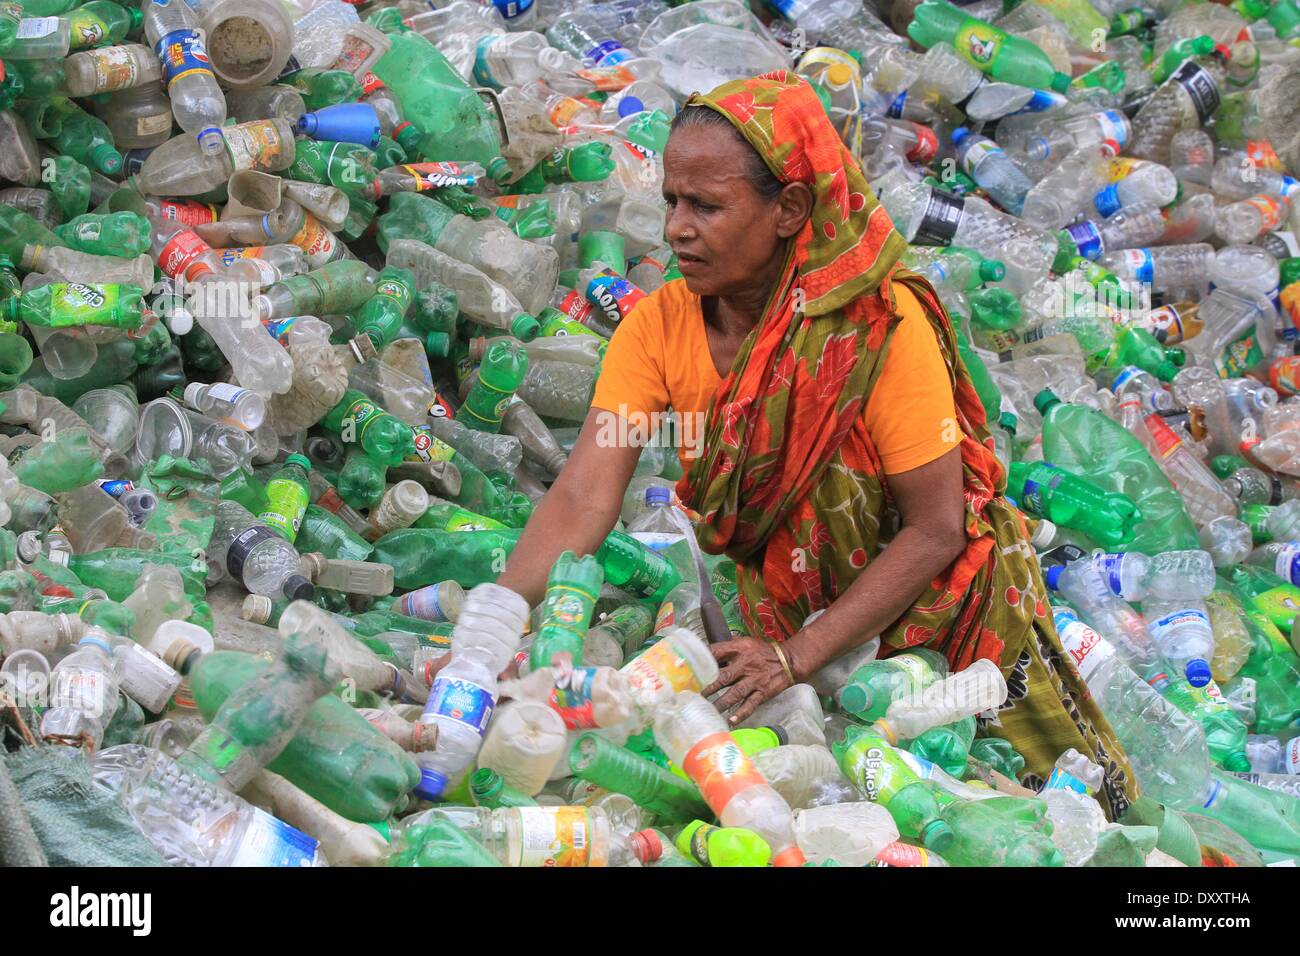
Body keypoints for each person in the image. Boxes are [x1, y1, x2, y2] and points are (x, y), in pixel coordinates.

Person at [494, 72, 1138, 818]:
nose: (675, 227)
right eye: (672, 200)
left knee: (1053, 820)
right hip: (795, 636)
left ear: (789, 209)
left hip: (952, 632)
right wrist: (490, 633)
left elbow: (936, 527)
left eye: (706, 205)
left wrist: (798, 655)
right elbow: (583, 493)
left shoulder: (876, 326)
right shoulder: (659, 328)